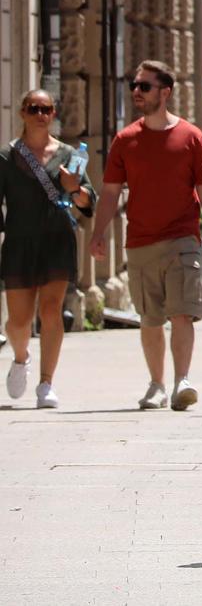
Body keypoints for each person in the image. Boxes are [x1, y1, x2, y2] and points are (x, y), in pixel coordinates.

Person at [87, 60, 202, 412]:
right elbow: (110, 192)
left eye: (145, 86)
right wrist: (98, 232)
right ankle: (156, 385)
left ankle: (182, 381)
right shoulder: (125, 140)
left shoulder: (191, 137)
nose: (137, 92)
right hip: (140, 242)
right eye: (135, 86)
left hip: (183, 240)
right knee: (150, 318)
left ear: (165, 92)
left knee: (182, 313)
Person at [1, 90, 95, 409]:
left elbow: (87, 202)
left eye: (46, 109)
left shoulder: (69, 155)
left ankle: (46, 384)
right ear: (23, 113)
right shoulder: (7, 156)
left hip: (57, 240)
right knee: (18, 322)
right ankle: (21, 357)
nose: (40, 114)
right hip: (19, 243)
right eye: (33, 109)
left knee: (51, 310)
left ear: (54, 113)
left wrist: (75, 189)